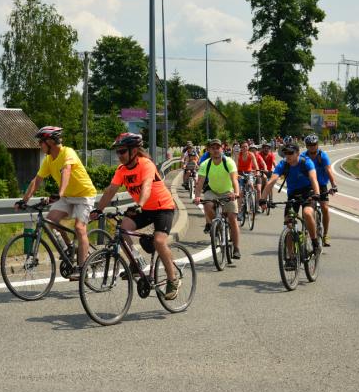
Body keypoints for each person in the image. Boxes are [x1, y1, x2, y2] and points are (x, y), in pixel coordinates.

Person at [91, 132, 180, 300]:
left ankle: (172, 279)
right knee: (122, 229)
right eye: (117, 152)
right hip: (145, 208)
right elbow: (111, 190)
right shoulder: (122, 170)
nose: (119, 155)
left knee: (159, 241)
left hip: (163, 207)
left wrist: (139, 204)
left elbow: (147, 186)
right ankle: (136, 262)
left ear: (134, 151)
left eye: (122, 151)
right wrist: (98, 210)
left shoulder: (145, 164)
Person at [18, 126, 97, 279]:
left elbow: (66, 171)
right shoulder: (48, 160)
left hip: (84, 195)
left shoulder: (68, 152)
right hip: (67, 196)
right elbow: (37, 181)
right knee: (51, 220)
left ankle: (83, 269)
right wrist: (24, 200)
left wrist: (59, 193)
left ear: (49, 142)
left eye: (40, 142)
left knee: (79, 228)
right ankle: (69, 247)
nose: (39, 145)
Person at [258, 139, 322, 261]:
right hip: (293, 194)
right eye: (286, 153)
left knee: (307, 213)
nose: (288, 155)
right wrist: (262, 199)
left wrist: (317, 194)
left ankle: (315, 243)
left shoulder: (306, 162)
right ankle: (291, 256)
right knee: (288, 223)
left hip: (308, 192)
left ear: (297, 153)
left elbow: (313, 179)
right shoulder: (283, 164)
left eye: (291, 153)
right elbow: (272, 181)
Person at [193, 138, 242, 259]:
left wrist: (236, 193)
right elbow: (200, 182)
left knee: (232, 218)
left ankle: (236, 248)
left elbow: (234, 180)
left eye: (218, 148)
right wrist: (197, 196)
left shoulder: (228, 162)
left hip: (228, 191)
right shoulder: (205, 164)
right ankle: (216, 224)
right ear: (209, 150)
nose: (216, 150)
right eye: (213, 148)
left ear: (222, 149)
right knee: (207, 205)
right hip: (213, 191)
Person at [301, 134, 338, 246]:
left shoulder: (322, 156)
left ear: (317, 145)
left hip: (321, 185)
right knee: (307, 209)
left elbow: (329, 170)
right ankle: (305, 231)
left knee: (325, 208)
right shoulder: (303, 156)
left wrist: (333, 184)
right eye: (310, 145)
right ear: (306, 146)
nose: (312, 146)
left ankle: (325, 235)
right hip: (308, 185)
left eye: (314, 144)